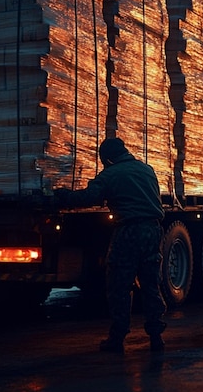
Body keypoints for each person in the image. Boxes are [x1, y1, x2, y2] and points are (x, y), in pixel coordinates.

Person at [55, 137, 167, 353]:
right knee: (151, 284)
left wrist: (62, 195)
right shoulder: (147, 170)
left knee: (119, 285)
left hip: (129, 232)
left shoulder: (110, 175)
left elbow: (89, 198)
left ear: (106, 158)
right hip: (153, 231)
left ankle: (117, 338)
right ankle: (156, 336)